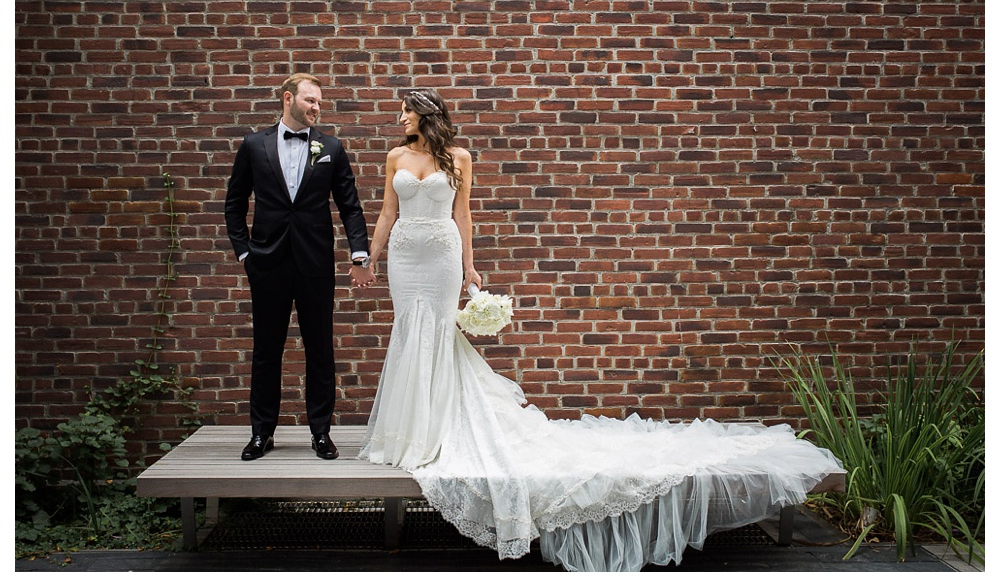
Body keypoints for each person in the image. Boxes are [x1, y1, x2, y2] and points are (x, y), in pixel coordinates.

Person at [360, 89, 842, 571]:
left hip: (442, 255)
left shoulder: (458, 156)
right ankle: (408, 430)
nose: (400, 117)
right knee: (409, 331)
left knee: (440, 333)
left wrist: (469, 268)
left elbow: (463, 215)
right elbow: (386, 213)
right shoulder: (395, 156)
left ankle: (435, 429)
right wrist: (372, 259)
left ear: (427, 115)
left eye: (406, 110)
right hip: (406, 256)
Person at [225, 72, 376, 462]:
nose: (317, 108)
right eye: (310, 101)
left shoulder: (331, 147)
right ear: (288, 98)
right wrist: (245, 253)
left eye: (320, 103)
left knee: (320, 349)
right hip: (268, 263)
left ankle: (321, 432)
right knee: (266, 350)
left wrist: (359, 253)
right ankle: (261, 434)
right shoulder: (254, 146)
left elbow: (350, 206)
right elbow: (234, 203)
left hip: (315, 263)